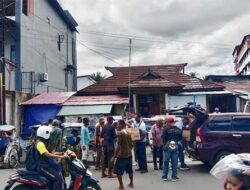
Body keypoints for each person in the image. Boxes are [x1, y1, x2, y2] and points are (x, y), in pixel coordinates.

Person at [36, 125, 67, 190]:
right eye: (49, 133)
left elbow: (51, 153)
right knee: (58, 179)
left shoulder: (43, 143)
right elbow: (48, 155)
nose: (50, 135)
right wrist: (61, 156)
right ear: (44, 133)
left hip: (46, 165)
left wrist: (62, 153)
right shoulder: (40, 144)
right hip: (43, 167)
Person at [111, 120, 134, 190]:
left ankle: (121, 186)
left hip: (122, 155)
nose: (116, 126)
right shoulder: (128, 132)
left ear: (121, 125)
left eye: (117, 124)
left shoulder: (120, 133)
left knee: (118, 171)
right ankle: (131, 183)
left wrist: (114, 157)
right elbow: (131, 145)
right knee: (130, 170)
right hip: (129, 154)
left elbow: (118, 146)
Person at [161, 116, 182, 181]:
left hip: (168, 145)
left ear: (168, 122)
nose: (166, 123)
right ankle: (174, 176)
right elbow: (180, 138)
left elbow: (163, 137)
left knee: (166, 161)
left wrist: (164, 145)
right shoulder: (178, 129)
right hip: (175, 145)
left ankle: (165, 176)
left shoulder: (166, 129)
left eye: (167, 122)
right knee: (174, 161)